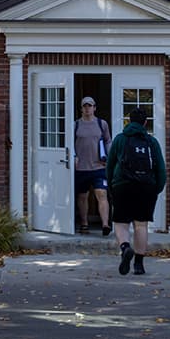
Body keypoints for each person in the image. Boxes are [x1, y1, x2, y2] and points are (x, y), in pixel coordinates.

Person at [105, 106, 166, 276]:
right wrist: (156, 189)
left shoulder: (120, 140)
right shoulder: (152, 142)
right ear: (146, 123)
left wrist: (111, 186)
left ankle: (125, 248)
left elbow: (110, 166)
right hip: (146, 187)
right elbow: (160, 169)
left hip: (122, 186)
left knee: (121, 223)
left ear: (129, 121)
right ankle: (139, 265)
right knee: (141, 225)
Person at [73, 97, 113, 236]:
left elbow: (108, 141)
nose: (87, 108)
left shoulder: (102, 124)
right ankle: (84, 224)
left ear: (95, 108)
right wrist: (73, 156)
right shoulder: (75, 125)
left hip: (98, 167)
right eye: (85, 106)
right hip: (81, 168)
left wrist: (108, 157)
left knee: (102, 194)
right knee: (82, 196)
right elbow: (69, 144)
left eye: (90, 106)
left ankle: (105, 224)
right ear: (81, 108)